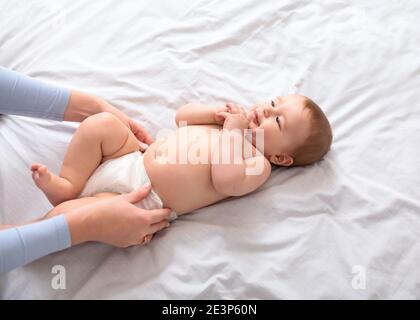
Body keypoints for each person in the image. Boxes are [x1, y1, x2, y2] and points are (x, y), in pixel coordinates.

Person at [27, 94, 332, 229]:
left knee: (76, 215)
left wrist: (232, 134)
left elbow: (226, 180)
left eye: (277, 120)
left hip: (140, 197)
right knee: (101, 124)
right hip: (132, 155)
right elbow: (182, 117)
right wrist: (212, 113)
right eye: (273, 102)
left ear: (280, 156)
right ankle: (68, 183)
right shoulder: (231, 119)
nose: (265, 110)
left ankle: (30, 229)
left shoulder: (257, 163)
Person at [0, 67, 172, 275]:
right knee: (65, 214)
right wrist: (89, 225)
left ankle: (67, 185)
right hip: (122, 197)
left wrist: (95, 107)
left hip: (126, 158)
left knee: (102, 123)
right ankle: (42, 220)